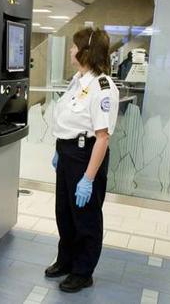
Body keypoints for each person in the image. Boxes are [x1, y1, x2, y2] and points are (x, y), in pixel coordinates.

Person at [45, 28, 119, 293]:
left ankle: (82, 271)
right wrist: (59, 148)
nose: (70, 50)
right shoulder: (78, 80)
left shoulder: (102, 87)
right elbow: (68, 118)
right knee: (64, 213)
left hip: (86, 155)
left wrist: (88, 178)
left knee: (85, 217)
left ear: (86, 52)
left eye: (74, 46)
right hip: (67, 152)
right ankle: (66, 261)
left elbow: (102, 138)